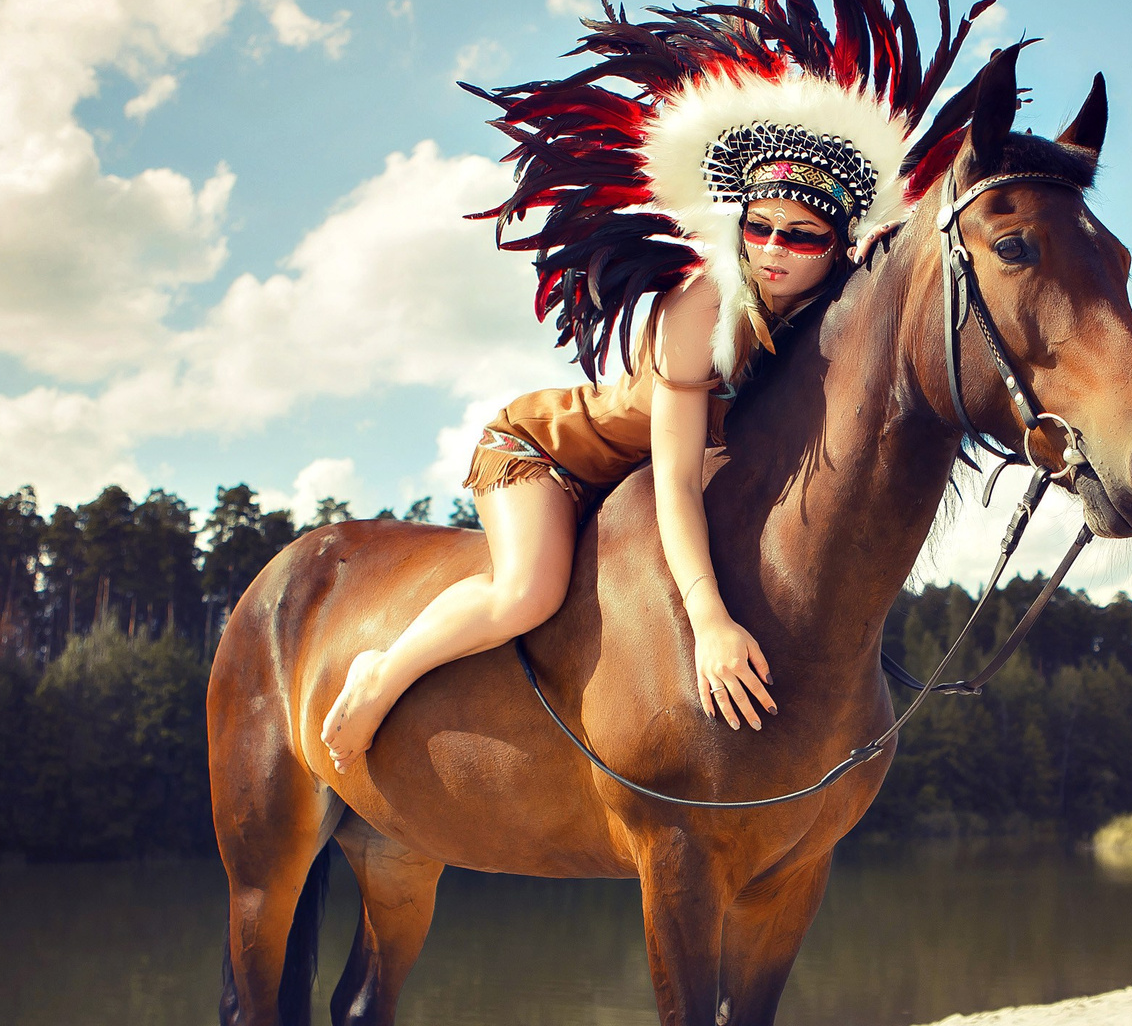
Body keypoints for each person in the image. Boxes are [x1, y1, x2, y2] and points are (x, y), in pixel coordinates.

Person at [319, 114, 910, 771]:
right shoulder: (703, 306)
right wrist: (710, 622)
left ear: (837, 245)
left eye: (802, 236)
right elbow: (679, 482)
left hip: (629, 483)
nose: (773, 250)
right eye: (759, 227)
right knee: (526, 593)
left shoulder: (825, 307)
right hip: (548, 455)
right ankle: (383, 673)